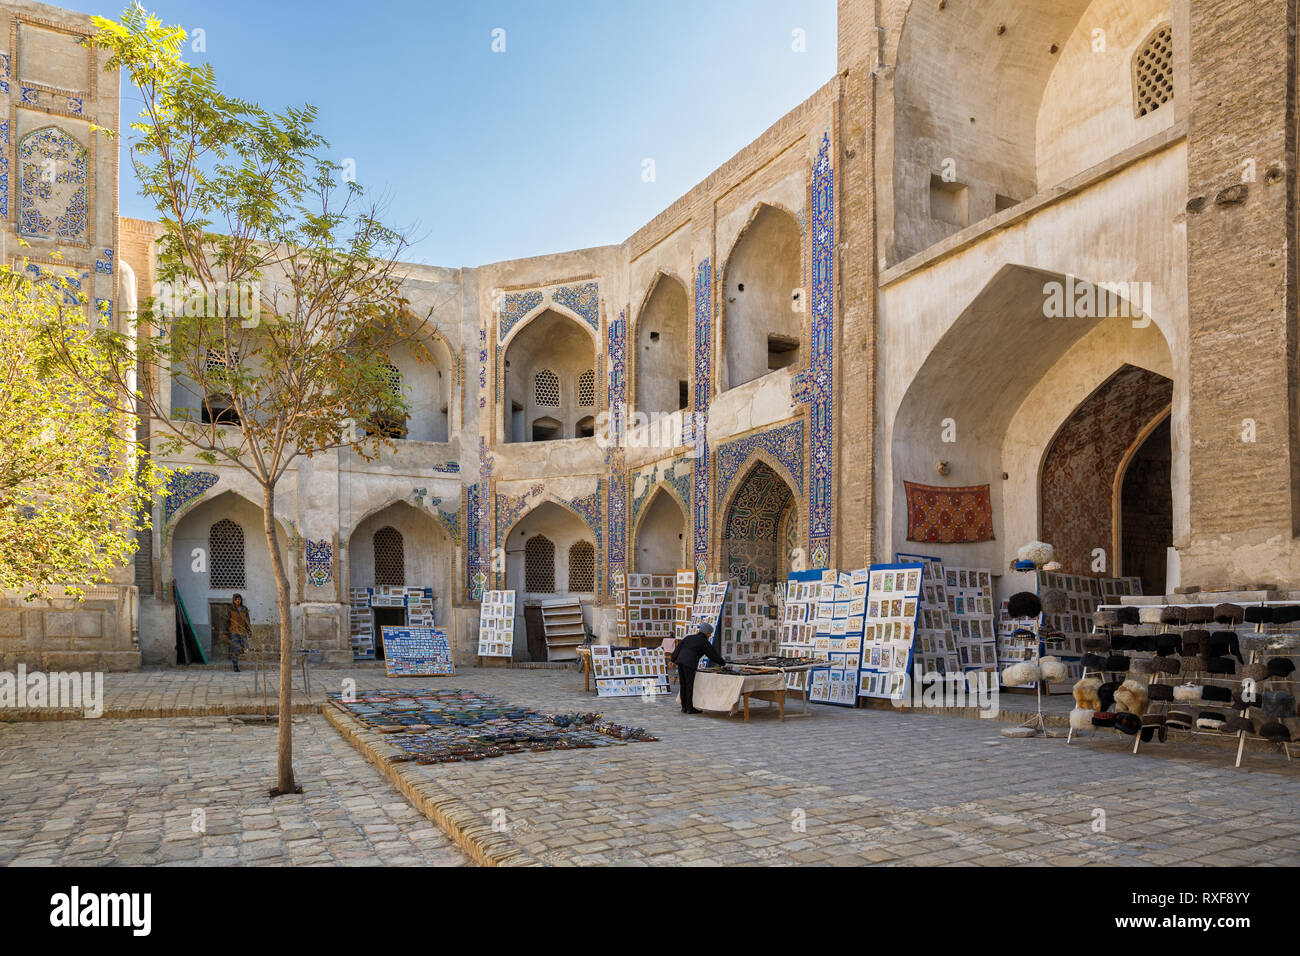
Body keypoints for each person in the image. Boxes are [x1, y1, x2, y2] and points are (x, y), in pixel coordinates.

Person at [670, 622, 726, 714]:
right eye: (710, 633)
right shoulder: (704, 642)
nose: (710, 635)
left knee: (683, 685)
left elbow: (678, 648)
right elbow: (712, 655)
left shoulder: (688, 638)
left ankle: (684, 707)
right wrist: (723, 663)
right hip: (689, 664)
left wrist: (672, 659)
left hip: (680, 661)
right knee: (689, 685)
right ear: (707, 633)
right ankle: (689, 708)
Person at [228, 594, 251, 672]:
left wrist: (249, 631)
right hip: (234, 631)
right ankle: (235, 666)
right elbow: (226, 621)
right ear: (234, 600)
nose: (238, 600)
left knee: (245, 647)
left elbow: (247, 620)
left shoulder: (244, 609)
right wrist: (226, 632)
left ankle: (239, 652)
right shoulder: (230, 609)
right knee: (235, 649)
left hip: (243, 631)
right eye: (236, 599)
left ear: (241, 600)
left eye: (239, 599)